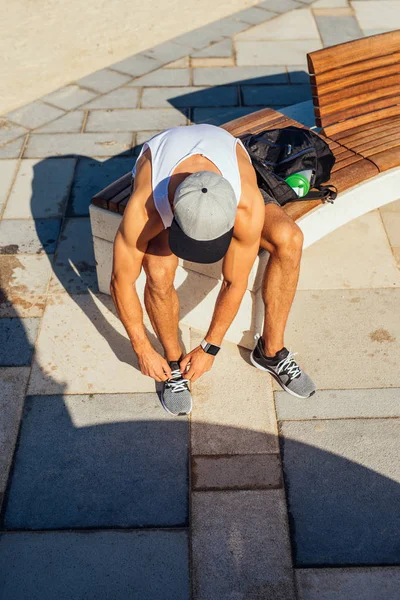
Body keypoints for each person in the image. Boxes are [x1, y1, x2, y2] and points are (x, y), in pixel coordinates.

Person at [110, 124, 315, 416]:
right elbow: (121, 281)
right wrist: (141, 347)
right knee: (157, 270)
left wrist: (210, 347)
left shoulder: (246, 204)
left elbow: (235, 281)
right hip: (163, 170)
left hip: (222, 174)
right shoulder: (147, 208)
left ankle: (271, 352)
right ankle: (173, 363)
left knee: (289, 238)